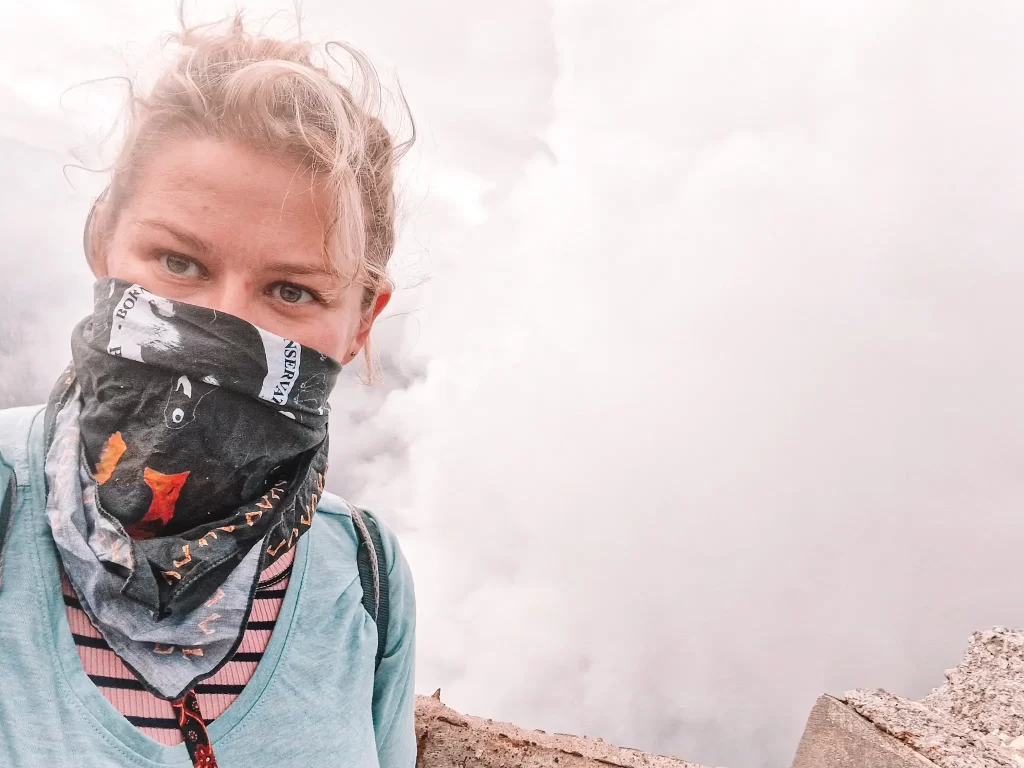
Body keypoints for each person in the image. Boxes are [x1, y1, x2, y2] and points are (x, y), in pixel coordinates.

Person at [0, 11, 416, 768]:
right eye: (180, 264)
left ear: (361, 323)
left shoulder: (361, 574)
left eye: (291, 290)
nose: (222, 330)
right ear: (102, 239)